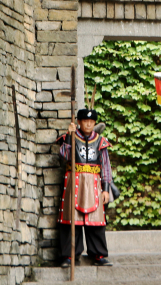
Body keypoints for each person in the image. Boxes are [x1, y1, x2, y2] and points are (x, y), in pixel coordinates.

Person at [56, 108, 115, 267]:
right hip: (74, 182)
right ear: (79, 122)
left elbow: (106, 167)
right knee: (71, 219)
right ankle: (69, 256)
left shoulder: (101, 141)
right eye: (85, 121)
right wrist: (69, 136)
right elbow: (64, 156)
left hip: (94, 184)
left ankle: (98, 255)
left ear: (95, 123)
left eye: (91, 122)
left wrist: (106, 189)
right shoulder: (71, 137)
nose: (88, 124)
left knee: (95, 220)